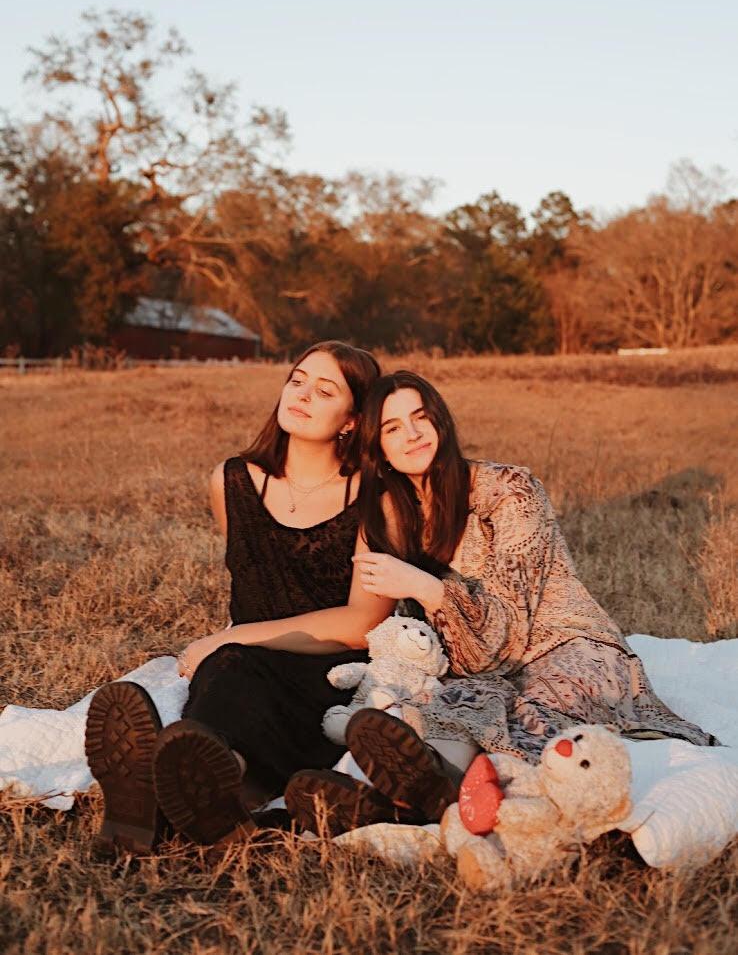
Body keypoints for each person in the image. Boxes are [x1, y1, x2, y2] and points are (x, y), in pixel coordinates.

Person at [285, 370, 716, 834]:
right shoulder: (393, 513)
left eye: (421, 418)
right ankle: (418, 800)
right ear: (379, 446)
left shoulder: (510, 490)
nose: (411, 435)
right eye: (392, 428)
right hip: (479, 672)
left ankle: (439, 802)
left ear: (441, 423)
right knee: (448, 704)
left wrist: (424, 586)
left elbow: (507, 639)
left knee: (525, 708)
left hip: (564, 645)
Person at [84, 341, 396, 853]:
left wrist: (235, 638)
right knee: (227, 679)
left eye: (324, 390)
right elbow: (250, 581)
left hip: (329, 671)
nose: (301, 395)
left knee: (232, 665)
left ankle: (162, 802)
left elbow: (363, 622)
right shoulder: (231, 481)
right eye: (297, 381)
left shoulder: (374, 498)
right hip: (239, 667)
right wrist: (235, 644)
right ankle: (200, 792)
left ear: (350, 419)